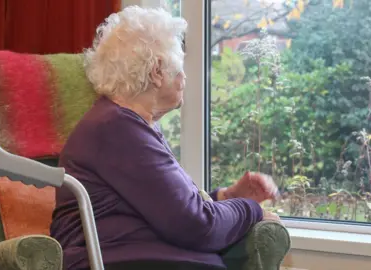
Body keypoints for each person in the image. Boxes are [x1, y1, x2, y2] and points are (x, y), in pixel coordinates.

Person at [50, 6, 281, 270]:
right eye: (179, 65)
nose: (184, 77)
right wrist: (252, 209)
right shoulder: (117, 129)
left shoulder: (126, 125)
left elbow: (171, 207)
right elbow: (196, 226)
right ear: (157, 71)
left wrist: (226, 197)